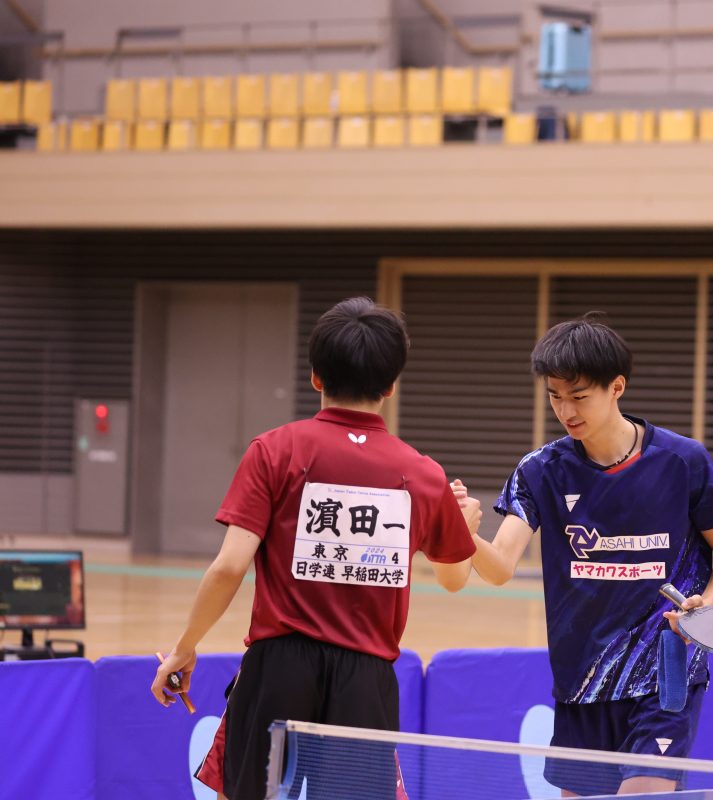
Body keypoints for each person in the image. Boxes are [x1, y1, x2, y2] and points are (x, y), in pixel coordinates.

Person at [150, 297, 479, 800]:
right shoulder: (422, 475)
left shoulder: (274, 451)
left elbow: (229, 566)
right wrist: (466, 524)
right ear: (391, 385)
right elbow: (455, 578)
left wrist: (184, 646)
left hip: (277, 668)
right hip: (366, 681)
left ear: (315, 376)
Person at [470, 312, 713, 796]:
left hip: (665, 671)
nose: (565, 410)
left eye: (579, 396)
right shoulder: (541, 471)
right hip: (583, 681)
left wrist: (709, 602)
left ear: (616, 387)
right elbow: (499, 566)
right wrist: (460, 532)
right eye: (555, 396)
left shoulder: (683, 461)